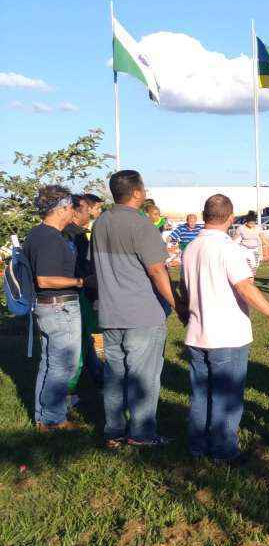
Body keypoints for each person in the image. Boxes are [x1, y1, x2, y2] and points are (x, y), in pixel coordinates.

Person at [180, 195, 269, 462]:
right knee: (226, 397)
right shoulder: (229, 249)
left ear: (204, 215)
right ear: (231, 218)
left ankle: (197, 446)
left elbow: (185, 289)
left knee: (201, 394)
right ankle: (223, 450)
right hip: (226, 334)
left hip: (197, 332)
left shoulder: (191, 247)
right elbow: (245, 287)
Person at [91, 170, 181, 448]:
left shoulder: (100, 222)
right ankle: (141, 433)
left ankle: (113, 431)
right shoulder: (141, 225)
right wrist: (178, 303)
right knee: (144, 377)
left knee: (114, 375)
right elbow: (157, 269)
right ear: (138, 193)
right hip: (142, 313)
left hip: (109, 312)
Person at [26, 185, 87, 431]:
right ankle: (53, 419)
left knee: (50, 363)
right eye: (71, 207)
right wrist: (79, 281)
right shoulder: (50, 238)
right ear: (61, 209)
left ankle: (44, 416)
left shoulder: (38, 234)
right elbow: (45, 279)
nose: (73, 212)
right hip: (59, 307)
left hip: (50, 308)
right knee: (64, 364)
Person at [64, 193, 105, 398]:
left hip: (83, 292)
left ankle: (96, 375)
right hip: (81, 293)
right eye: (94, 209)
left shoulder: (77, 233)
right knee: (85, 338)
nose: (95, 213)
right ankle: (72, 388)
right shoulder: (74, 235)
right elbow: (80, 265)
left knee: (87, 338)